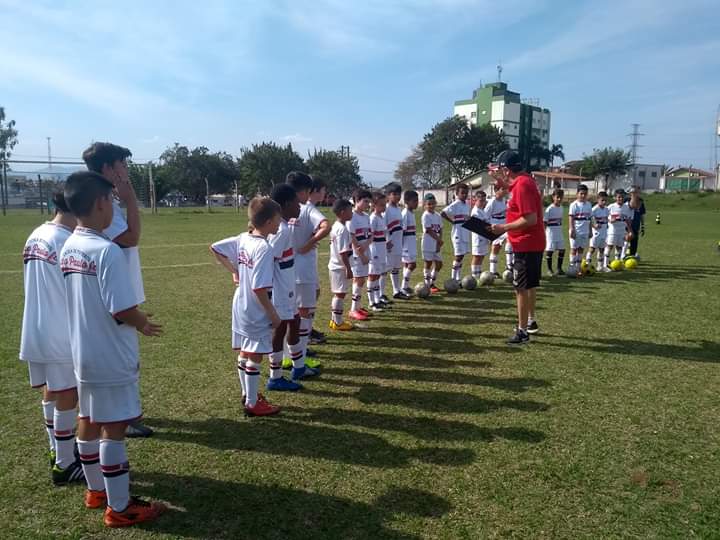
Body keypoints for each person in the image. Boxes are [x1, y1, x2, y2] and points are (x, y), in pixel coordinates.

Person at [61, 171, 165, 527]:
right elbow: (120, 307)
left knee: (88, 420)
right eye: (112, 203)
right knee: (115, 426)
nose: (113, 210)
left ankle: (96, 491)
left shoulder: (70, 246)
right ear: (101, 203)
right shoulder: (106, 251)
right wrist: (142, 322)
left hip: (83, 352)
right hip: (109, 354)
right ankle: (120, 508)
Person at [82, 142, 152, 438]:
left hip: (122, 291)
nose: (126, 171)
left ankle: (126, 414)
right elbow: (131, 238)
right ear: (108, 168)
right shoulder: (99, 205)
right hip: (113, 297)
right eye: (122, 165)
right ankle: (120, 419)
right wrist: (131, 198)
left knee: (126, 354)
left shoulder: (106, 200)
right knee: (120, 356)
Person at [20, 191, 84, 485]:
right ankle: (65, 463)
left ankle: (56, 449)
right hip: (60, 331)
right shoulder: (64, 241)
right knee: (68, 395)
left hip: (35, 326)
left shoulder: (37, 233)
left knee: (53, 390)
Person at [210, 197, 284, 416]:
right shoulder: (263, 248)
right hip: (254, 308)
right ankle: (252, 403)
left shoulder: (244, 238)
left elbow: (215, 248)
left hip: (239, 303)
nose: (280, 224)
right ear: (270, 221)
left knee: (245, 350)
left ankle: (247, 394)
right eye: (278, 219)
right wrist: (273, 315)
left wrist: (234, 270)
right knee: (255, 355)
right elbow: (259, 289)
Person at [489, 150, 545, 345]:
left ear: (506, 168)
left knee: (520, 287)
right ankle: (530, 322)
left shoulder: (522, 185)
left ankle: (522, 331)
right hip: (530, 242)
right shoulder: (523, 181)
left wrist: (503, 227)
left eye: (501, 169)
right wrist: (502, 183)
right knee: (528, 285)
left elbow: (530, 218)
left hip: (526, 242)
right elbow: (514, 188)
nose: (500, 173)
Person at [266, 184, 312, 391]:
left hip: (288, 286)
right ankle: (275, 377)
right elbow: (267, 258)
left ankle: (299, 367)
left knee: (294, 323)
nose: (299, 205)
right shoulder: (281, 231)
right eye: (295, 202)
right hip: (280, 290)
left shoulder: (284, 226)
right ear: (285, 205)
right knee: (281, 328)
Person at [286, 172, 328, 368]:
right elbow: (325, 226)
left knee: (289, 313)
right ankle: (299, 358)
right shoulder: (307, 208)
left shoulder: (281, 208)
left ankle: (290, 354)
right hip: (303, 271)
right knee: (304, 314)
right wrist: (309, 243)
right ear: (306, 191)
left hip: (285, 271)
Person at [328, 199, 355, 330]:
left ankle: (334, 320)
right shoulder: (342, 229)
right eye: (350, 210)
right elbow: (344, 252)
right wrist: (348, 269)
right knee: (340, 294)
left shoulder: (336, 226)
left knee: (339, 293)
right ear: (343, 212)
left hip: (335, 265)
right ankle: (338, 322)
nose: (352, 213)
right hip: (339, 266)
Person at [348, 189, 373, 321]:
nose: (367, 204)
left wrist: (366, 245)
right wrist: (360, 253)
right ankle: (353, 309)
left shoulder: (366, 217)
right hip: (357, 254)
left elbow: (370, 234)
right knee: (358, 279)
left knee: (362, 279)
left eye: (369, 202)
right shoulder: (352, 216)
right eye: (365, 201)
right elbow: (352, 237)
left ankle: (358, 306)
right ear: (356, 201)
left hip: (365, 250)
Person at [383, 182, 410, 300]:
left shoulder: (398, 209)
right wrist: (386, 241)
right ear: (388, 195)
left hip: (398, 243)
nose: (397, 196)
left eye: (399, 194)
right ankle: (381, 294)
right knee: (385, 270)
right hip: (389, 244)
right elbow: (383, 228)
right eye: (394, 194)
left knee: (395, 268)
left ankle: (396, 290)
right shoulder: (386, 210)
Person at [440, 183, 471, 283]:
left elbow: (466, 217)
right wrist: (452, 221)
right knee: (458, 255)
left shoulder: (466, 205)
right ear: (457, 193)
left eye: (466, 193)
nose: (464, 195)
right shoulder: (455, 204)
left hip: (465, 232)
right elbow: (443, 213)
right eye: (462, 193)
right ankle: (453, 278)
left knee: (462, 255)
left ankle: (458, 278)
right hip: (457, 233)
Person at [368, 191, 390, 311]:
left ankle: (377, 299)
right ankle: (371, 302)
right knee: (373, 275)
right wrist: (373, 250)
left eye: (384, 204)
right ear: (374, 205)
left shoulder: (381, 217)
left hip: (382, 250)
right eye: (381, 204)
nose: (384, 207)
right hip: (375, 250)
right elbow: (370, 237)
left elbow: (381, 234)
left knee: (378, 275)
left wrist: (386, 242)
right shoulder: (373, 218)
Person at [421, 193, 443, 293]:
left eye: (433, 204)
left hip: (436, 243)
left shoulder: (438, 215)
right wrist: (438, 240)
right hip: (428, 243)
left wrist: (439, 242)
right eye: (429, 204)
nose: (431, 206)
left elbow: (440, 229)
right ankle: (427, 285)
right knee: (428, 263)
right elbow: (429, 230)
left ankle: (432, 282)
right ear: (425, 205)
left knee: (439, 263)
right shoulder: (425, 215)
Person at [485, 185, 508, 277]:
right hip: (495, 228)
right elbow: (486, 216)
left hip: (504, 226)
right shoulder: (492, 202)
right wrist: (490, 231)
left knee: (510, 244)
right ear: (496, 190)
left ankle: (509, 266)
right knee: (496, 247)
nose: (505, 191)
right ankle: (493, 271)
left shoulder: (504, 201)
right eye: (503, 189)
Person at [605, 189, 633, 265]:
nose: (621, 199)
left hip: (622, 231)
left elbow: (628, 220)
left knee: (619, 247)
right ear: (615, 197)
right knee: (609, 246)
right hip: (612, 231)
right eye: (619, 197)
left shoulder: (626, 208)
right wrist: (610, 220)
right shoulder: (611, 206)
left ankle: (617, 264)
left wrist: (629, 231)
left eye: (622, 197)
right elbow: (605, 217)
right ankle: (605, 264)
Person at [568, 184, 592, 270]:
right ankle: (571, 267)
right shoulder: (574, 205)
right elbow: (571, 218)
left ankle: (578, 268)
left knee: (581, 249)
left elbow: (589, 219)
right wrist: (572, 230)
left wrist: (590, 231)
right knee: (574, 249)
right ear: (577, 194)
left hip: (585, 231)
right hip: (576, 231)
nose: (583, 195)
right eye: (581, 193)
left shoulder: (589, 204)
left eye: (585, 194)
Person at [400, 190, 419, 295]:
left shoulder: (411, 213)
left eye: (417, 200)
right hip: (406, 243)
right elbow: (402, 231)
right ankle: (403, 287)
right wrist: (402, 246)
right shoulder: (405, 214)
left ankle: (405, 287)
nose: (416, 203)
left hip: (411, 242)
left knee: (407, 264)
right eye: (414, 201)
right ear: (407, 201)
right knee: (412, 265)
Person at [544, 188, 565, 276]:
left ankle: (559, 269)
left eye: (561, 197)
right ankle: (549, 269)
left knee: (562, 250)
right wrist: (543, 234)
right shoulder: (549, 209)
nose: (559, 199)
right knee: (550, 251)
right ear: (553, 197)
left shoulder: (561, 208)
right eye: (557, 197)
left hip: (559, 232)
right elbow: (544, 222)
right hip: (551, 233)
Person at [586, 191, 610, 271]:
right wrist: (594, 225)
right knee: (592, 248)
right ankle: (587, 264)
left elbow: (607, 219)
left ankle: (600, 266)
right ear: (598, 200)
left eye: (605, 200)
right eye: (602, 200)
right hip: (596, 233)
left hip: (604, 232)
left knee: (602, 249)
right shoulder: (594, 209)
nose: (604, 202)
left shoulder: (606, 209)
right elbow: (590, 220)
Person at [470, 190, 490, 278]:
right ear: (475, 200)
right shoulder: (475, 212)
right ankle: (474, 276)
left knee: (481, 256)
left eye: (484, 201)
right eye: (480, 200)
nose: (482, 203)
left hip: (484, 237)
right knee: (477, 256)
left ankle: (478, 273)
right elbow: (477, 226)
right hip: (478, 237)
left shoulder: (482, 210)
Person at [627, 186, 646, 258]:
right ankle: (621, 256)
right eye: (634, 192)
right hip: (626, 224)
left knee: (634, 242)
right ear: (630, 193)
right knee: (625, 241)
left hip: (636, 224)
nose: (636, 194)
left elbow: (641, 215)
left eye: (637, 192)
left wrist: (643, 226)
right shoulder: (626, 201)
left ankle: (632, 256)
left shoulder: (641, 201)